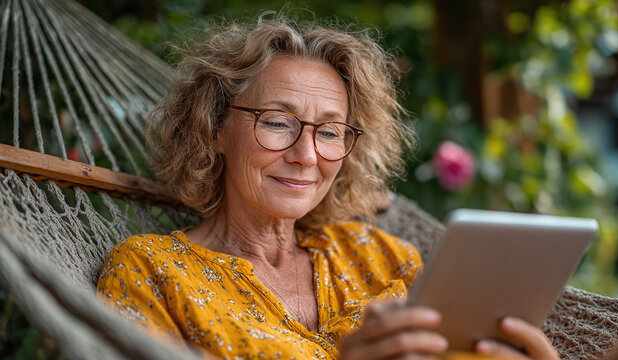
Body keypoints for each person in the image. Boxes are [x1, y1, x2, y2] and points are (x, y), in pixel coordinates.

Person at [97, 14, 560, 360]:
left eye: (330, 131)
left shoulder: (383, 256)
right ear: (214, 128)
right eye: (278, 123)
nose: (307, 155)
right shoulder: (151, 271)